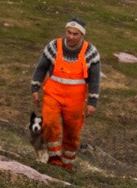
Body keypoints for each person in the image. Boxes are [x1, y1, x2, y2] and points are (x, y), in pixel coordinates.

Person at [32, 19, 100, 170]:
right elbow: (41, 68)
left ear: (82, 35)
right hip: (52, 94)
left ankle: (67, 163)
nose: (71, 37)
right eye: (68, 32)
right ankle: (54, 158)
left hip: (75, 100)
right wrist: (35, 88)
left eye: (75, 34)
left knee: (72, 133)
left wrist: (92, 102)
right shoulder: (53, 47)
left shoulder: (91, 53)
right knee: (49, 123)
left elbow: (95, 80)